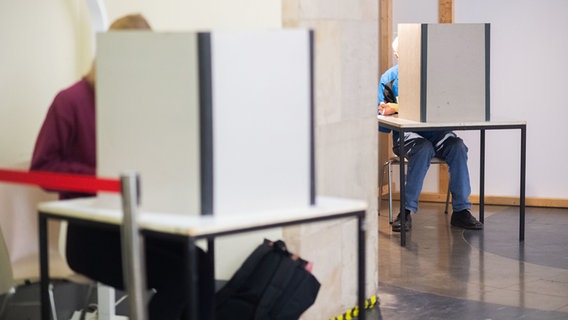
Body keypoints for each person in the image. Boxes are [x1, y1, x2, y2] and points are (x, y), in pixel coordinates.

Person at [30, 14, 213, 319]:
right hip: (90, 234)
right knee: (180, 275)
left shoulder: (140, 105)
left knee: (201, 264)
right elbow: (42, 169)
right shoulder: (71, 101)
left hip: (136, 224)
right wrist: (104, 177)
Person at [378, 37, 483, 232]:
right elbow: (382, 124)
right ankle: (406, 211)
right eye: (406, 53)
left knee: (458, 147)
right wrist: (385, 111)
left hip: (439, 133)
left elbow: (451, 104)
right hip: (407, 136)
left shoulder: (438, 76)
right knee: (423, 149)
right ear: (397, 55)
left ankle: (461, 211)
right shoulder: (389, 78)